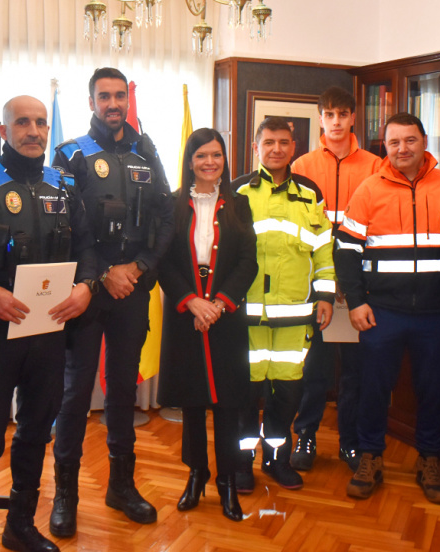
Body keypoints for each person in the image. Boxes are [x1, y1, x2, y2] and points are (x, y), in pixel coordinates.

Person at [0, 95, 97, 552]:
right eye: (22, 122)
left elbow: (88, 248)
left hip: (51, 333)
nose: (34, 131)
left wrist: (88, 286)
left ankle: (19, 525)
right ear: (4, 130)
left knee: (36, 430)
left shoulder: (64, 185)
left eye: (40, 122)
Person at [49, 67, 173, 537]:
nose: (114, 104)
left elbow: (165, 218)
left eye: (120, 95)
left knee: (123, 390)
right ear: (91, 102)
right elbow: (61, 227)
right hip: (87, 291)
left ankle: (122, 486)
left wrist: (137, 269)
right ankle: (65, 495)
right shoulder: (70, 154)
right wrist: (103, 273)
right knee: (75, 393)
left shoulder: (146, 150)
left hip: (132, 290)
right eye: (105, 96)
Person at [335, 112, 440, 504]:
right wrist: (356, 302)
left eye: (410, 140)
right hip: (381, 312)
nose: (402, 149)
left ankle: (429, 461)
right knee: (373, 389)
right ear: (385, 147)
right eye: (394, 142)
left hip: (436, 313)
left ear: (424, 141)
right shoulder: (368, 190)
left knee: (434, 391)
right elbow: (345, 250)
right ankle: (370, 456)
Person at [157, 128, 258, 521]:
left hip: (225, 317)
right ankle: (196, 475)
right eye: (201, 156)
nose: (210, 162)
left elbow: (248, 262)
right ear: (190, 161)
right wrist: (191, 301)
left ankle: (228, 482)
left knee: (229, 405)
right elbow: (163, 261)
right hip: (186, 316)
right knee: (193, 403)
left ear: (225, 159)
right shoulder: (173, 204)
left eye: (216, 155)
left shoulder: (240, 204)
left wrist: (218, 303)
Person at [231, 116, 336, 493]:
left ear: (293, 148)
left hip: (295, 318)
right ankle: (242, 463)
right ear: (256, 146)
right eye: (269, 142)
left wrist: (325, 295)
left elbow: (324, 249)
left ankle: (277, 460)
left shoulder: (310, 192)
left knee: (287, 394)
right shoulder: (237, 191)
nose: (276, 149)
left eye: (283, 142)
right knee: (245, 396)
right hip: (247, 317)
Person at [290, 86, 381, 473]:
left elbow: (378, 223)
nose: (337, 122)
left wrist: (352, 280)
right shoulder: (302, 165)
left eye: (343, 114)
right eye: (329, 114)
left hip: (359, 285)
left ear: (353, 117)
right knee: (315, 368)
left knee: (356, 372)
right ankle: (306, 436)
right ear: (321, 118)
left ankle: (351, 443)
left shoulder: (377, 165)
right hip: (316, 282)